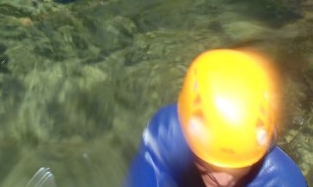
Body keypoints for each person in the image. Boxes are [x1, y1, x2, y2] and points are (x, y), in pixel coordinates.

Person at [125, 48, 308, 187]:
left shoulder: (284, 182)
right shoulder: (165, 137)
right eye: (211, 163)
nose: (223, 181)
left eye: (238, 166)